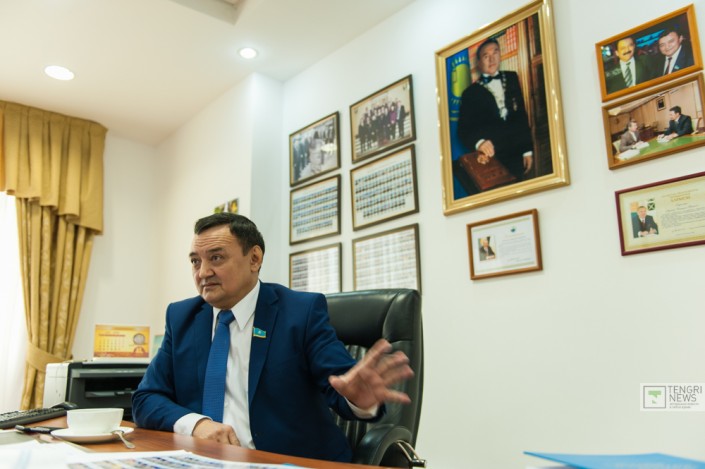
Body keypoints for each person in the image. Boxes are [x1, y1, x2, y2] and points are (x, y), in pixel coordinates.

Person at [132, 213, 413, 462]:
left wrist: (359, 400)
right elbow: (146, 398)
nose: (203, 272)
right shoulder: (182, 317)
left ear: (254, 259)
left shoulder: (300, 313)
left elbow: (344, 385)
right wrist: (197, 424)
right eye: (195, 261)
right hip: (205, 461)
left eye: (216, 258)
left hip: (287, 462)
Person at [457, 37, 534, 186]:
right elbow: (463, 130)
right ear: (479, 62)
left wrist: (527, 151)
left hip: (517, 156)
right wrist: (479, 143)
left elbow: (520, 117)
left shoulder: (512, 78)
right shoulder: (470, 93)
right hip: (492, 159)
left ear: (500, 55)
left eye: (495, 53)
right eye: (486, 56)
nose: (491, 59)